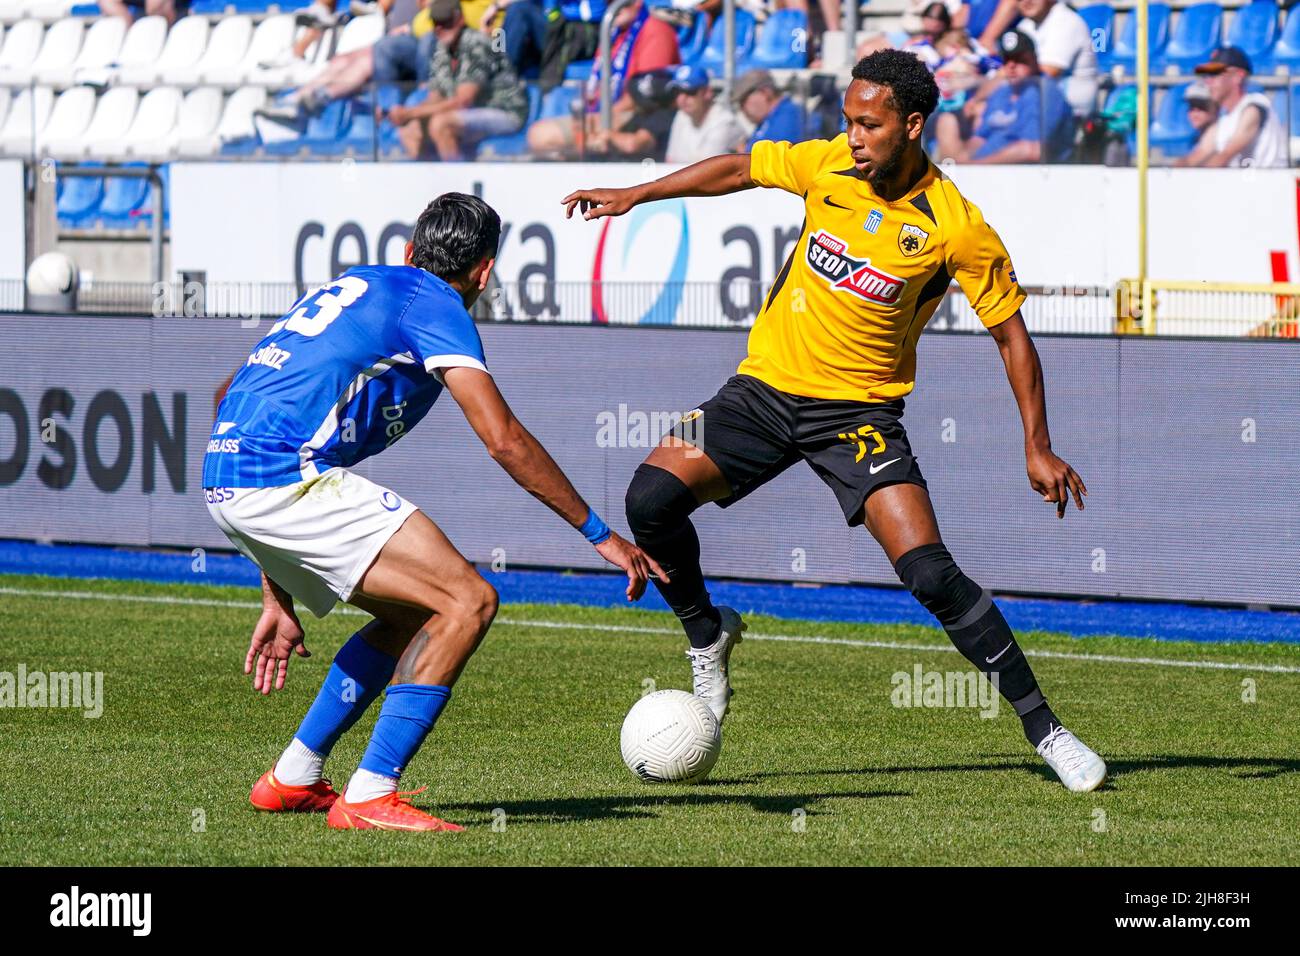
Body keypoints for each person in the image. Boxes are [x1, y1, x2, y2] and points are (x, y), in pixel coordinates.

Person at [562, 48, 1106, 794]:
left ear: (912, 125)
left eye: (869, 124)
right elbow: (737, 168)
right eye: (848, 120)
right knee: (649, 500)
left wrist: (1036, 445)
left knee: (930, 573)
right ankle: (706, 634)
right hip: (758, 395)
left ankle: (1048, 731)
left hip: (859, 416)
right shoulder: (828, 167)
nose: (852, 136)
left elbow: (1012, 335)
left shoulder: (955, 228)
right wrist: (639, 193)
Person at [205, 193, 663, 832]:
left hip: (229, 477)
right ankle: (370, 794)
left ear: (409, 251)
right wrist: (598, 534)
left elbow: (233, 393)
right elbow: (502, 437)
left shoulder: (361, 281)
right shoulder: (437, 307)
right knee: (467, 600)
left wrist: (275, 592)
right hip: (284, 479)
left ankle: (293, 778)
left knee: (410, 614)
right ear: (484, 271)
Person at [527, 0, 679, 159]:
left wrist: (599, 120)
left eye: (620, 3)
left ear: (638, 2)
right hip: (607, 111)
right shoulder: (613, 32)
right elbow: (596, 85)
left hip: (636, 115)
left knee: (542, 135)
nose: (613, 8)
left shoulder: (655, 30)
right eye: (608, 3)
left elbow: (645, 94)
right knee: (539, 135)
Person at [391, 0, 530, 159]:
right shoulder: (442, 48)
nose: (440, 29)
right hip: (472, 111)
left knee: (441, 124)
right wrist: (409, 116)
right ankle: (431, 180)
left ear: (460, 19)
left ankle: (455, 181)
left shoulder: (476, 43)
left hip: (504, 110)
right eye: (436, 23)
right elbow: (435, 96)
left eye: (445, 23)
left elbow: (464, 101)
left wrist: (411, 112)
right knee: (411, 128)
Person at [934, 30, 1073, 164]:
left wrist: (976, 165)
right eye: (1007, 60)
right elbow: (980, 138)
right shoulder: (1003, 90)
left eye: (1019, 59)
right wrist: (960, 160)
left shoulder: (1044, 92)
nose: (1011, 65)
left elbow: (1031, 150)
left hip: (1023, 174)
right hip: (988, 171)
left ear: (1034, 60)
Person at [1176, 46, 1287, 169]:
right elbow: (1197, 156)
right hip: (1249, 185)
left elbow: (1224, 157)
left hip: (1271, 185)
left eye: (1215, 74)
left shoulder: (1254, 107)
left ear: (1238, 76)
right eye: (1208, 76)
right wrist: (1171, 174)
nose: (1208, 82)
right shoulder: (1225, 120)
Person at [1014, 0, 1099, 119]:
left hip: (1072, 116)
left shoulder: (1066, 21)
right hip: (1040, 106)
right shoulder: (1025, 25)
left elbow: (1047, 73)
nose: (1026, 1)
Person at [663, 65, 745, 164]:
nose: (682, 99)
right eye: (677, 92)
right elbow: (670, 160)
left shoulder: (725, 121)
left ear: (707, 92)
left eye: (690, 91)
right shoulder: (681, 115)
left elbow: (706, 170)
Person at [734, 69, 805, 150]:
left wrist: (744, 152)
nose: (742, 108)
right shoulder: (769, 119)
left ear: (765, 92)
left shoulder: (788, 116)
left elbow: (777, 157)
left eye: (743, 100)